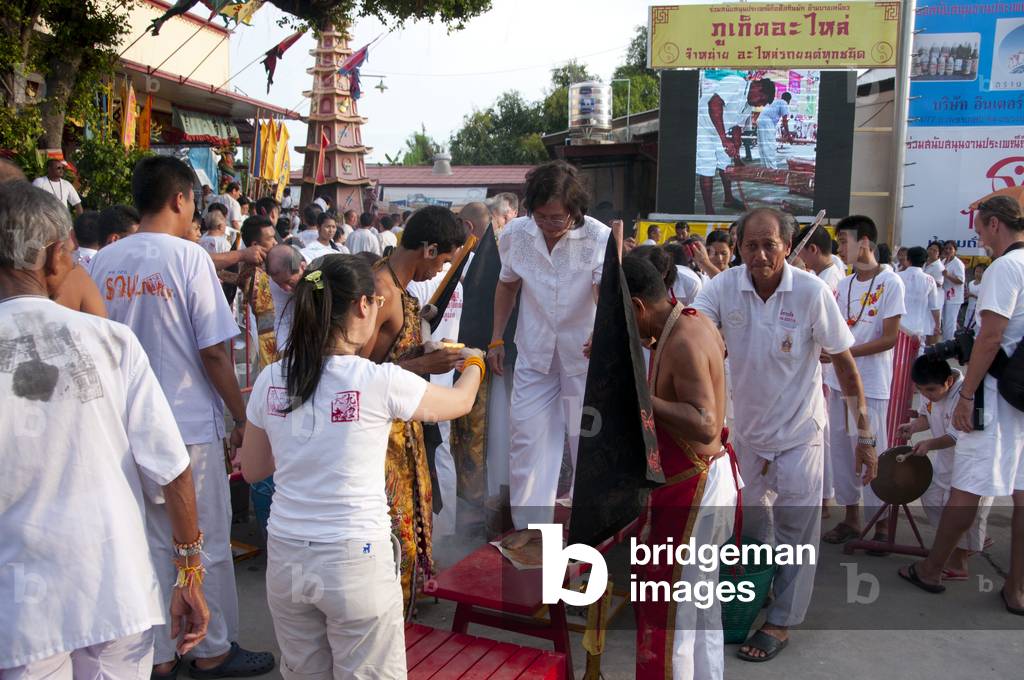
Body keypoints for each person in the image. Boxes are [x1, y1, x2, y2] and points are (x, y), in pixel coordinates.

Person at [0, 182, 210, 679]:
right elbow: (173, 469)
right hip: (114, 588)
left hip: (22, 605)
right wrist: (189, 574)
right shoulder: (110, 341)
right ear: (54, 257)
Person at [238, 255, 482, 678]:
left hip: (288, 557)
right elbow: (459, 403)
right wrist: (475, 362)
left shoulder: (272, 378)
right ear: (364, 306)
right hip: (354, 560)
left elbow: (255, 469)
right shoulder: (376, 379)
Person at [89, 156, 275, 678]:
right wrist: (241, 417)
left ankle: (159, 655)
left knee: (145, 541)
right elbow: (214, 352)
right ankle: (212, 648)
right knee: (203, 540)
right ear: (180, 199)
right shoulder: (189, 259)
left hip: (123, 425)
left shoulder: (105, 261)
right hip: (186, 426)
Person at [692, 207, 875, 661]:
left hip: (798, 433)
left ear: (787, 247)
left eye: (769, 245)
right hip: (746, 435)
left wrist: (864, 437)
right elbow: (690, 333)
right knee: (751, 527)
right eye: (750, 245)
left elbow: (846, 368)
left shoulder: (812, 293)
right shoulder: (721, 287)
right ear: (738, 247)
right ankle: (758, 592)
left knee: (797, 530)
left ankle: (782, 620)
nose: (759, 255)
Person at [900, 196, 1024, 612]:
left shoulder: (1006, 268)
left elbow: (990, 338)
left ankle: (932, 568)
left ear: (993, 225)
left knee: (966, 486)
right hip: (1021, 394)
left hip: (999, 396)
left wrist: (965, 395)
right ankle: (1017, 587)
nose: (977, 238)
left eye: (978, 229)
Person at [623, 255, 736, 680]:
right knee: (700, 608)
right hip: (699, 483)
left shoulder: (684, 339)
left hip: (694, 488)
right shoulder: (681, 321)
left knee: (671, 615)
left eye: (623, 322)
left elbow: (706, 425)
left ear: (637, 307)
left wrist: (637, 396)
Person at [488, 160, 611, 533]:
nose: (549, 225)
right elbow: (507, 284)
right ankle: (529, 530)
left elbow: (600, 289)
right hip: (535, 351)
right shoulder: (516, 234)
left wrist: (601, 332)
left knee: (584, 439)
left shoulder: (597, 236)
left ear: (574, 211)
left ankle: (590, 524)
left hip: (582, 356)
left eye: (557, 218)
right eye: (541, 217)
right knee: (526, 438)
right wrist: (496, 338)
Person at [359, 206, 469, 608]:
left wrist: (423, 349)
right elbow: (355, 374)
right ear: (428, 249)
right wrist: (424, 364)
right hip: (379, 438)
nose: (440, 271)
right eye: (442, 261)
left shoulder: (399, 286)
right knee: (391, 530)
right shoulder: (381, 291)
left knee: (413, 520)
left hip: (404, 429)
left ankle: (405, 608)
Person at [822, 216, 904, 546]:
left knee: (872, 449)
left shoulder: (891, 283)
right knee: (842, 451)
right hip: (841, 381)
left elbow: (890, 338)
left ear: (865, 242)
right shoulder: (845, 284)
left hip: (870, 383)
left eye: (844, 241)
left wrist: (846, 352)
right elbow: (837, 329)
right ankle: (852, 519)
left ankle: (880, 523)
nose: (840, 248)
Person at [898, 356, 992, 580]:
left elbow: (955, 435)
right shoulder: (930, 389)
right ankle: (963, 543)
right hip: (945, 461)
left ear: (949, 381)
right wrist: (913, 426)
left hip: (971, 463)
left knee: (962, 512)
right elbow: (927, 417)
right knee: (932, 497)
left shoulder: (965, 396)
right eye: (921, 390)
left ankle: (959, 563)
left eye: (930, 390)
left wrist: (930, 443)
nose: (926, 395)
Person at [698, 77, 776, 214]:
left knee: (725, 163)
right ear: (757, 87)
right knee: (707, 166)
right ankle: (709, 210)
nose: (760, 104)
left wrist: (737, 156)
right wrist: (724, 139)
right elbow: (714, 104)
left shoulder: (748, 105)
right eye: (761, 100)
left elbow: (736, 128)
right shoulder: (735, 83)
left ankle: (728, 199)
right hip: (703, 125)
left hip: (718, 128)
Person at [239, 216, 283, 369]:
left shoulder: (268, 268)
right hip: (268, 344)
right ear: (255, 245)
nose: (275, 243)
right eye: (270, 239)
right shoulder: (252, 273)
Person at [898, 246, 943, 346]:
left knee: (898, 357)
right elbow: (934, 306)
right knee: (917, 356)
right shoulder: (930, 280)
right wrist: (937, 325)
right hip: (919, 327)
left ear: (908, 259)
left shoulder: (897, 277)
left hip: (899, 326)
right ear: (925, 260)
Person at [266, 244, 307, 352]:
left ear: (303, 267)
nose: (285, 289)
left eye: (289, 282)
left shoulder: (320, 275)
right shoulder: (277, 280)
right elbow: (283, 318)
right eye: (279, 284)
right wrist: (284, 351)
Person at [756, 91, 792, 170]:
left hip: (760, 119)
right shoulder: (784, 103)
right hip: (767, 121)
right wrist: (789, 135)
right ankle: (772, 169)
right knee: (769, 145)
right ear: (789, 100)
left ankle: (765, 169)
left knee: (763, 145)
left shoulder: (775, 102)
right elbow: (784, 121)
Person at [941, 240, 966, 340]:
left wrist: (948, 275)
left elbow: (961, 280)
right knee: (945, 321)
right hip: (944, 295)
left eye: (950, 248)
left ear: (955, 250)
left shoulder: (958, 263)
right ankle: (945, 342)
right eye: (946, 248)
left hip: (954, 297)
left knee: (950, 323)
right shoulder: (943, 261)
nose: (948, 250)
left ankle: (949, 344)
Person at [964, 263, 986, 328]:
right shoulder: (971, 283)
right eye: (976, 271)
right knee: (967, 325)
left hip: (977, 309)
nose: (978, 274)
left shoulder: (984, 284)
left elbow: (984, 298)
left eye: (980, 272)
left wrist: (972, 295)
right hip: (969, 307)